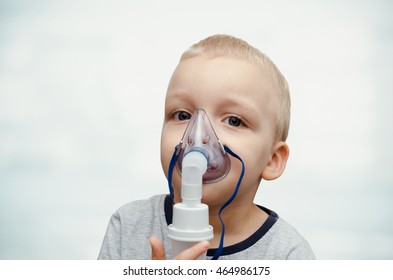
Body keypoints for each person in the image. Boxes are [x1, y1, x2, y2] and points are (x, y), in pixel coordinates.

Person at [98, 34, 315, 260]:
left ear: (272, 159)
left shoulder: (287, 255)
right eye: (182, 115)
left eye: (233, 120)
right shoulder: (129, 227)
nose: (198, 136)